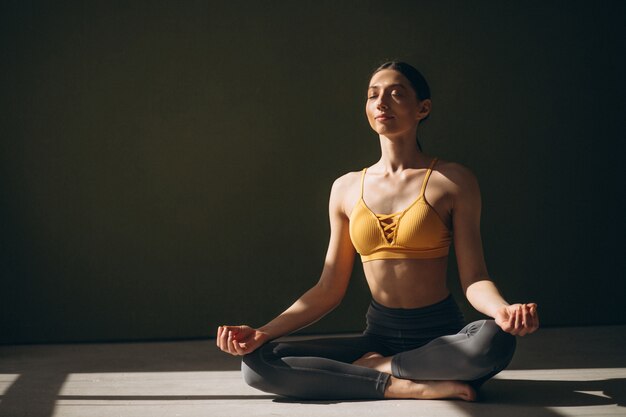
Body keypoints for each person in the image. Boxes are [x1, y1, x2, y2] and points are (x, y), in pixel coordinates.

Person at [215, 61, 539, 401]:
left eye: (396, 94)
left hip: (440, 337)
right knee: (257, 362)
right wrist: (262, 333)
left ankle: (378, 368)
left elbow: (474, 279)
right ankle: (401, 384)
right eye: (373, 95)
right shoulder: (345, 188)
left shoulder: (453, 180)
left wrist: (502, 310)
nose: (381, 102)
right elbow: (328, 288)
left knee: (494, 341)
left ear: (422, 108)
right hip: (378, 335)